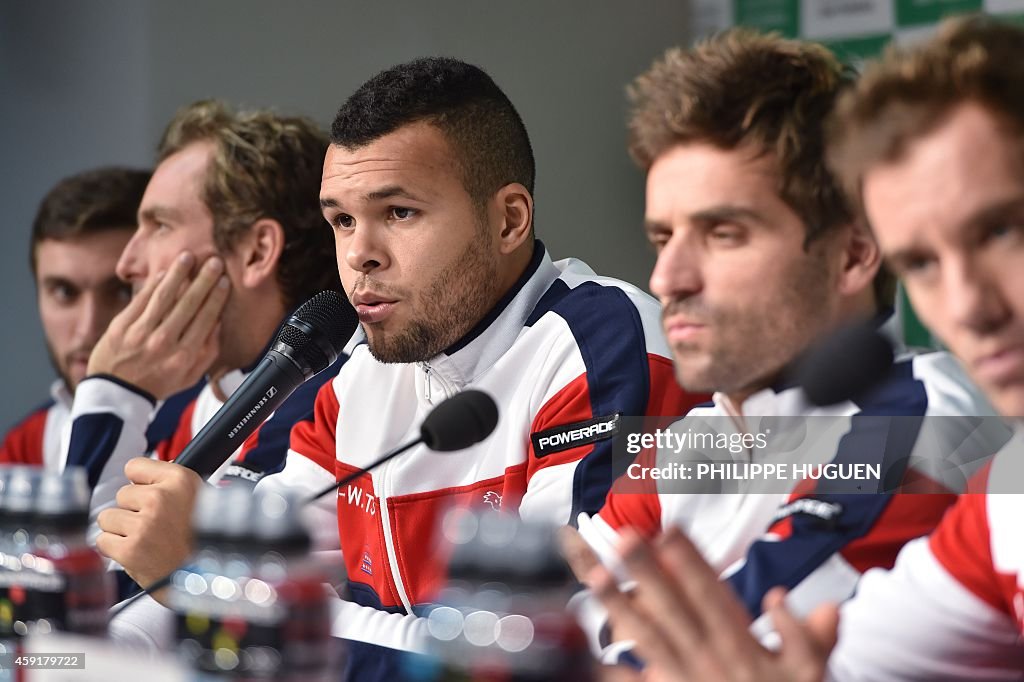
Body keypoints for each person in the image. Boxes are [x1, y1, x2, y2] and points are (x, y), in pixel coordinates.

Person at [100, 58, 705, 680]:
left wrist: (212, 587)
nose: (360, 255)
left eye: (398, 213)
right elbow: (250, 576)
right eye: (342, 220)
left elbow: (537, 650)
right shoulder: (357, 376)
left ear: (508, 220)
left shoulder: (606, 345)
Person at [581, 15, 1024, 681]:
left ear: (853, 254)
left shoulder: (931, 418)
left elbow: (751, 648)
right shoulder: (684, 445)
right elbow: (561, 624)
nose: (666, 280)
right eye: (661, 239)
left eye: (724, 233)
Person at [61, 101, 344, 601]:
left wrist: (111, 397)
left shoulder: (328, 407)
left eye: (159, 226)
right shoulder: (175, 403)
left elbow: (97, 598)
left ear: (256, 252)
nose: (128, 263)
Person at [0, 167, 166, 469]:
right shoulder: (27, 446)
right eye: (65, 292)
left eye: (121, 292)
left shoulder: (222, 418)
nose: (88, 330)